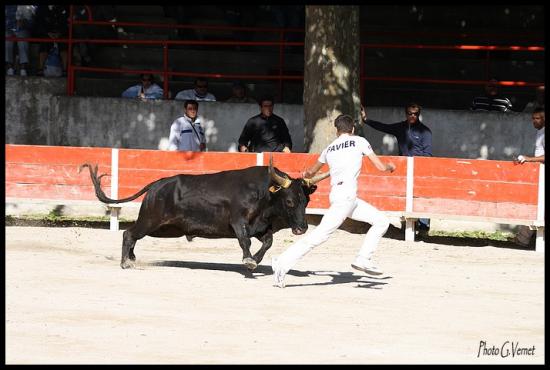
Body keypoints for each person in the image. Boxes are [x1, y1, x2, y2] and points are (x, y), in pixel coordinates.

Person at [271, 114, 396, 288]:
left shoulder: (329, 148)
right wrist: (390, 166)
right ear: (352, 129)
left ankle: (363, 258)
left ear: (337, 130)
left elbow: (310, 172)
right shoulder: (359, 141)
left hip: (341, 195)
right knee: (320, 236)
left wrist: (306, 174)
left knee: (381, 221)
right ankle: (281, 263)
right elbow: (381, 167)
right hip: (346, 196)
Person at [361, 102, 432, 233]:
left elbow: (428, 154)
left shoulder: (425, 131)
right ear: (406, 114)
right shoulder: (401, 127)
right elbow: (384, 127)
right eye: (410, 113)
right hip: (404, 168)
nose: (412, 116)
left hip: (420, 168)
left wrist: (421, 167)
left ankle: (423, 226)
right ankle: (409, 224)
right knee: (406, 195)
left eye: (415, 114)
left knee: (421, 195)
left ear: (418, 115)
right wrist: (366, 120)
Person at [511, 107, 545, 247]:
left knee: (537, 206)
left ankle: (523, 239)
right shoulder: (540, 133)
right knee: (536, 205)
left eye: (537, 118)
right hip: (540, 174)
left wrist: (528, 159)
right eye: (533, 118)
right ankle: (523, 239)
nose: (534, 121)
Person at [32, 5, 69, 76]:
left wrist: (60, 33)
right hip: (46, 33)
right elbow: (38, 23)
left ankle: (65, 69)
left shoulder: (64, 7)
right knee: (44, 43)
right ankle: (40, 69)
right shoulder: (42, 7)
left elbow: (66, 23)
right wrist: (47, 33)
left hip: (60, 33)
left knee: (64, 43)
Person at [5, 5, 36, 76]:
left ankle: (23, 68)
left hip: (22, 29)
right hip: (9, 29)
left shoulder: (29, 6)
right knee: (7, 39)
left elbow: (33, 23)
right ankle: (9, 67)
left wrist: (25, 23)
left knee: (22, 40)